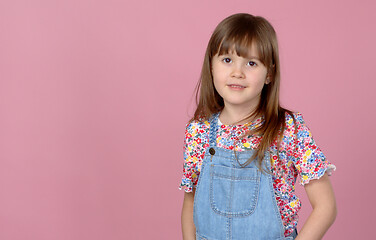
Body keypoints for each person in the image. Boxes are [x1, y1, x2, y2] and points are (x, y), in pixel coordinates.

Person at [179, 13, 337, 240]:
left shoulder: (287, 129)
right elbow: (190, 201)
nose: (237, 72)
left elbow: (326, 207)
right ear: (211, 66)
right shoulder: (198, 132)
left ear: (269, 74)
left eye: (251, 63)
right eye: (227, 60)